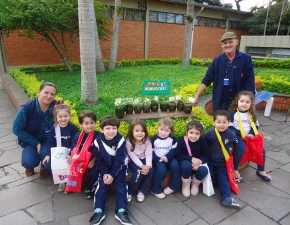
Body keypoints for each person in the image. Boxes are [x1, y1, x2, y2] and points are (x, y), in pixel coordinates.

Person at [192, 32, 255, 113]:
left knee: (237, 124)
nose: (227, 45)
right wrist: (197, 96)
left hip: (239, 102)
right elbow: (206, 80)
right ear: (222, 45)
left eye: (230, 42)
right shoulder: (217, 61)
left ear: (236, 42)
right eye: (225, 43)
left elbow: (249, 82)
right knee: (221, 124)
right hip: (221, 103)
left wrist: (250, 101)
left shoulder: (246, 59)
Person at [90, 115, 132, 225]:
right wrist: (104, 173)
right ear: (101, 129)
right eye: (108, 128)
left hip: (120, 168)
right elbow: (98, 160)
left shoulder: (121, 140)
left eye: (114, 128)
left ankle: (121, 211)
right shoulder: (97, 141)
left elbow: (119, 160)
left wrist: (112, 175)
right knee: (102, 186)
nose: (111, 131)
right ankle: (98, 211)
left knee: (120, 185)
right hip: (105, 168)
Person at [13, 82, 57, 179]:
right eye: (46, 92)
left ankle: (44, 167)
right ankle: (30, 166)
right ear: (39, 92)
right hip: (31, 140)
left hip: (48, 140)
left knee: (49, 163)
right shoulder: (27, 108)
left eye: (52, 94)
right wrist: (36, 142)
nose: (49, 96)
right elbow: (17, 129)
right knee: (29, 161)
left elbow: (65, 122)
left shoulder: (56, 107)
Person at [229, 90, 272, 182]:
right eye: (242, 101)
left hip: (249, 136)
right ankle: (235, 169)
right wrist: (241, 134)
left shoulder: (251, 114)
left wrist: (251, 133)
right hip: (238, 136)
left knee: (261, 149)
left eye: (247, 102)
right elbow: (229, 127)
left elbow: (256, 125)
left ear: (251, 103)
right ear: (237, 101)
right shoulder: (232, 113)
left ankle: (261, 170)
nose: (244, 104)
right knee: (241, 148)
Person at [204, 110, 241, 209]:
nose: (221, 125)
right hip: (210, 161)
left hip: (222, 163)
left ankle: (226, 198)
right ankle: (219, 184)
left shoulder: (231, 134)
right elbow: (203, 146)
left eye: (224, 122)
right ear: (214, 122)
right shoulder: (208, 134)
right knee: (209, 176)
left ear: (229, 122)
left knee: (223, 178)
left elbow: (233, 145)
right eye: (218, 122)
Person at [42, 101, 78, 192]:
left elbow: (75, 142)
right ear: (56, 117)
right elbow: (50, 142)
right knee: (47, 164)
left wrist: (71, 154)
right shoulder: (54, 128)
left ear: (69, 116)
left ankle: (70, 183)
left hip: (69, 152)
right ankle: (61, 181)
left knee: (71, 166)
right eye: (60, 117)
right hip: (58, 152)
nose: (63, 119)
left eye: (65, 116)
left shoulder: (72, 128)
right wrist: (48, 154)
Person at [69, 110, 99, 199]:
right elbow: (74, 147)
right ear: (80, 125)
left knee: (94, 173)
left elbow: (100, 152)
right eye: (86, 123)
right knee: (72, 168)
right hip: (80, 159)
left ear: (95, 123)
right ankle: (72, 185)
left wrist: (93, 161)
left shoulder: (98, 136)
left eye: (92, 123)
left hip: (92, 161)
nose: (89, 126)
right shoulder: (78, 136)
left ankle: (89, 188)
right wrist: (73, 157)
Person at [175, 120, 209, 197]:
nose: (193, 136)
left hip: (198, 162)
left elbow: (206, 155)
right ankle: (186, 184)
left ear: (200, 134)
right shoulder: (182, 142)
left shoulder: (202, 142)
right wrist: (191, 159)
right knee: (186, 166)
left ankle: (195, 183)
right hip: (186, 161)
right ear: (187, 132)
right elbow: (177, 155)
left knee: (204, 170)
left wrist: (199, 162)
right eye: (191, 133)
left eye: (197, 133)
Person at [151, 117, 180, 199]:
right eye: (161, 129)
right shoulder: (154, 139)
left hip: (169, 157)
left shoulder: (172, 139)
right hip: (158, 159)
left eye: (167, 131)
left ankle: (173, 186)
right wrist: (157, 159)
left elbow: (173, 150)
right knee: (161, 170)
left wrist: (167, 157)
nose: (163, 133)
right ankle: (155, 189)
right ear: (158, 128)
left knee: (176, 166)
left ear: (171, 131)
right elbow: (151, 152)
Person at [126, 119, 154, 203]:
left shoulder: (147, 140)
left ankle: (142, 191)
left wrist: (148, 166)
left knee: (151, 170)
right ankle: (130, 191)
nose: (140, 133)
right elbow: (132, 156)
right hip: (133, 160)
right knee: (138, 172)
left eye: (142, 131)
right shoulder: (128, 141)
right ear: (131, 131)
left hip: (144, 158)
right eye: (137, 130)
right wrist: (142, 166)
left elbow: (149, 154)